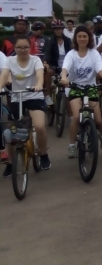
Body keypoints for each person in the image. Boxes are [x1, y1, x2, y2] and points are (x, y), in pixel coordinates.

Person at [60, 25, 102, 158]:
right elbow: (65, 68)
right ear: (76, 38)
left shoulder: (94, 53)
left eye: (85, 36)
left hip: (90, 88)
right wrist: (63, 77)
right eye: (79, 36)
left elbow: (99, 69)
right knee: (75, 118)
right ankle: (72, 145)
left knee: (99, 120)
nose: (82, 39)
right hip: (74, 87)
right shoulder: (71, 54)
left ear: (89, 38)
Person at [0, 35, 52, 174]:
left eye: (25, 47)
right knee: (10, 133)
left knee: (40, 126)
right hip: (18, 98)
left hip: (35, 96)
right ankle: (11, 163)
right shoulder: (9, 61)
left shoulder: (36, 60)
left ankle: (43, 154)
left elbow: (40, 75)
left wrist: (39, 85)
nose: (22, 50)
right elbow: (4, 75)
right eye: (19, 47)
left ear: (30, 48)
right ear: (15, 48)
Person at [44, 19, 72, 105]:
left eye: (60, 29)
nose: (58, 31)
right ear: (53, 30)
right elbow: (47, 53)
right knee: (48, 72)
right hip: (54, 66)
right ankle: (47, 95)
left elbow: (72, 54)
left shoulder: (68, 40)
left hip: (66, 67)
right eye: (56, 29)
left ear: (63, 29)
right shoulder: (50, 41)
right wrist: (45, 62)